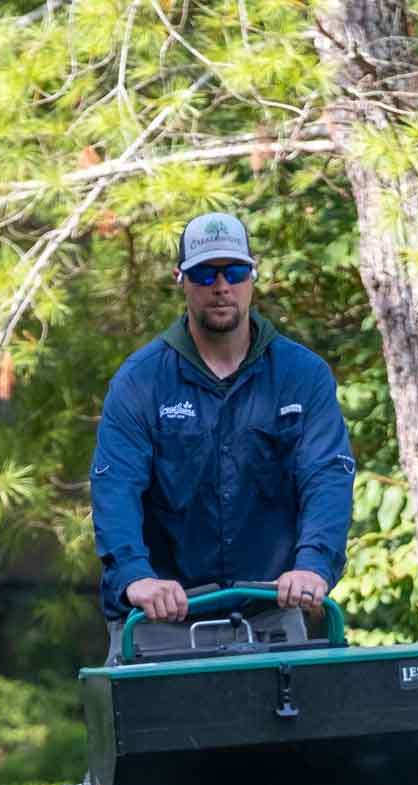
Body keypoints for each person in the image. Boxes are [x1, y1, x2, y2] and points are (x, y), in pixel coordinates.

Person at [89, 211, 357, 653]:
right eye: (204, 273)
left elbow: (327, 475)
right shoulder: (140, 381)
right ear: (181, 278)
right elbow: (114, 487)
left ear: (253, 275)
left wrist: (313, 566)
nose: (220, 286)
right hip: (160, 621)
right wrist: (136, 577)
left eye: (233, 271)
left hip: (267, 612)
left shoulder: (302, 376)